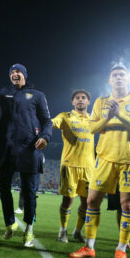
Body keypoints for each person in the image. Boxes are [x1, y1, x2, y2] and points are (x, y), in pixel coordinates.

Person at [70, 64, 130, 258]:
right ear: (109, 80)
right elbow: (91, 128)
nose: (118, 78)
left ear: (128, 78)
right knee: (91, 201)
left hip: (129, 160)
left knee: (127, 205)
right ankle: (89, 247)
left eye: (122, 75)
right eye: (115, 75)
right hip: (104, 159)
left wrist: (119, 115)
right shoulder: (101, 101)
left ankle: (121, 249)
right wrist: (108, 116)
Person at [0, 63, 52, 247]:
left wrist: (45, 137)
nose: (15, 74)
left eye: (18, 71)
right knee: (4, 189)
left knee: (29, 192)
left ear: (25, 75)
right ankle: (10, 223)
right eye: (12, 72)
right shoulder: (4, 93)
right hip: (6, 149)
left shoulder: (37, 95)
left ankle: (29, 230)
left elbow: (47, 121)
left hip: (29, 149)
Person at [52, 89, 94, 243]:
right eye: (77, 98)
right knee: (68, 200)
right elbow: (52, 123)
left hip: (89, 167)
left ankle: (77, 231)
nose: (80, 100)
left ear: (88, 101)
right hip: (69, 165)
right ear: (73, 102)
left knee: (86, 202)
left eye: (84, 98)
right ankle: (62, 230)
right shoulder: (66, 116)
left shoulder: (94, 119)